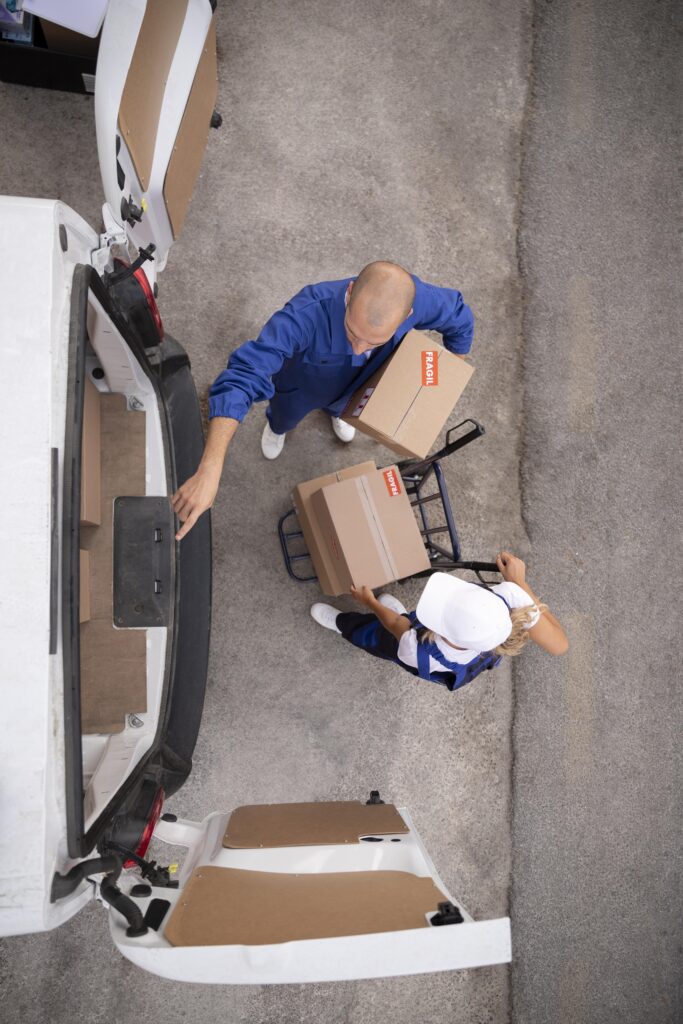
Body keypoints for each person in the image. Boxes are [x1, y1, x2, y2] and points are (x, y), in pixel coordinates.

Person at [171, 261, 474, 539]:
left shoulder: (418, 299)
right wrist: (211, 466)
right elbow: (245, 374)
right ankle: (277, 427)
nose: (359, 349)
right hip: (300, 388)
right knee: (285, 415)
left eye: (374, 341)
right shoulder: (305, 314)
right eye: (352, 333)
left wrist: (446, 374)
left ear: (408, 315)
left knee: (346, 408)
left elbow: (459, 317)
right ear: (350, 292)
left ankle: (339, 413)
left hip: (360, 388)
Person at [310, 552, 568, 691]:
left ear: (441, 630)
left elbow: (396, 626)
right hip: (421, 636)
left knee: (378, 635)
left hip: (407, 638)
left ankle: (343, 624)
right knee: (404, 624)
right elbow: (560, 645)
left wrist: (369, 601)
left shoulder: (416, 651)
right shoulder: (511, 599)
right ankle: (399, 615)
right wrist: (518, 583)